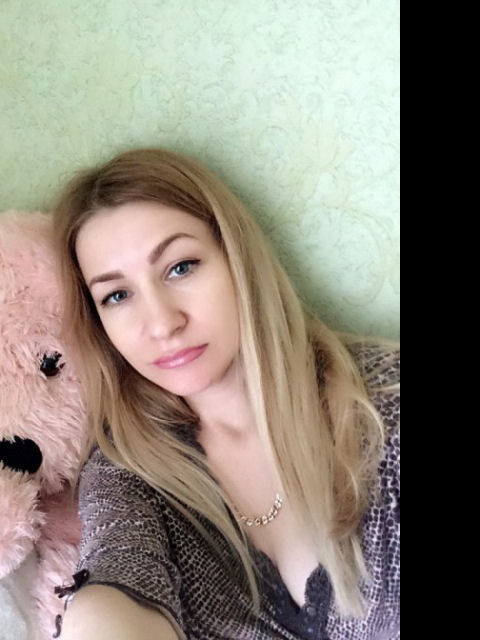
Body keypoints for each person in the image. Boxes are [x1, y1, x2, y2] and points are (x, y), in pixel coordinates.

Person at [49, 147, 399, 640]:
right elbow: (115, 577)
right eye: (117, 295)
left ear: (237, 259)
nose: (163, 324)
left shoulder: (383, 400)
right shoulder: (127, 471)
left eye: (181, 267)